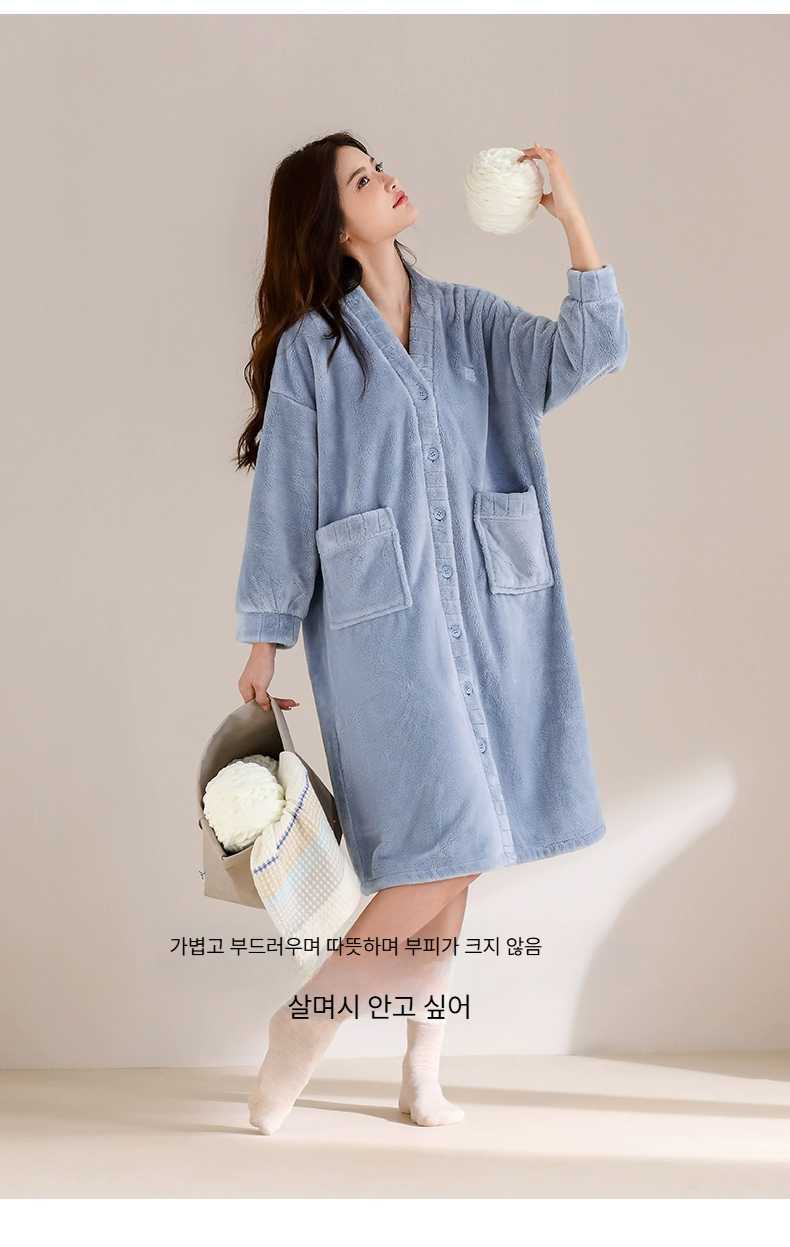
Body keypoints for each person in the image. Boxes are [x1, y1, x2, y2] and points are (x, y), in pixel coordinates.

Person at [233, 131, 629, 1135]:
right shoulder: (313, 354)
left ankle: (421, 1065)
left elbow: (591, 350)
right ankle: (305, 1024)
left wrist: (571, 219)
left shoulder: (472, 323)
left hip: (495, 614)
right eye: (363, 180)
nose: (389, 180)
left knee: (458, 851)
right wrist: (264, 637)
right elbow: (283, 500)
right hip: (385, 634)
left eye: (379, 167)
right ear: (334, 225)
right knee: (443, 846)